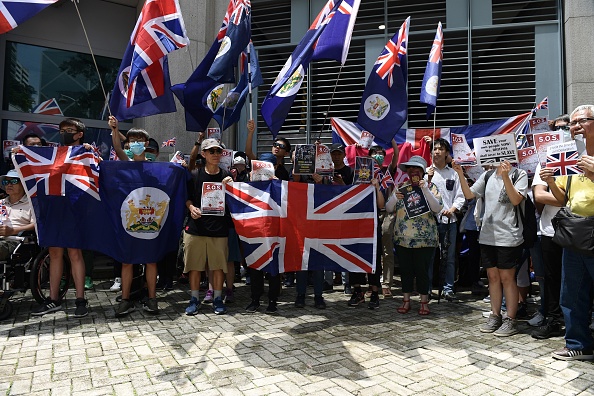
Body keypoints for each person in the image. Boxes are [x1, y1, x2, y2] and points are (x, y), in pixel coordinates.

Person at [540, 104, 594, 360]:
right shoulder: (570, 157)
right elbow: (562, 199)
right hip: (575, 232)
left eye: (581, 121)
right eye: (572, 124)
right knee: (572, 293)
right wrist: (550, 180)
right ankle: (578, 344)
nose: (574, 128)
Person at [453, 159, 528, 337]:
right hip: (487, 234)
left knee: (507, 277)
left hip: (508, 235)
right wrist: (460, 174)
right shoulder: (486, 175)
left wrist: (505, 177)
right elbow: (469, 195)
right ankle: (495, 315)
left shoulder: (520, 174)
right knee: (492, 276)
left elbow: (516, 199)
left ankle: (510, 318)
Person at [31, 118, 89, 318]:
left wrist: (90, 151)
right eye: (62, 129)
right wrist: (20, 155)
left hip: (74, 208)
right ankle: (53, 299)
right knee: (55, 253)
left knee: (75, 253)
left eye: (69, 130)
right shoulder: (52, 154)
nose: (64, 132)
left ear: (79, 134)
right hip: (54, 206)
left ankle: (80, 299)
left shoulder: (86, 152)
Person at [109, 116, 159, 316]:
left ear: (146, 144)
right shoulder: (125, 162)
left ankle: (152, 299)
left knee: (151, 260)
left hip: (149, 220)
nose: (135, 144)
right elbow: (118, 148)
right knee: (127, 261)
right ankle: (126, 299)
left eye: (139, 140)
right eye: (132, 141)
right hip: (129, 220)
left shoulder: (155, 167)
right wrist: (115, 129)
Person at [529, 114, 570, 338]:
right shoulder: (545, 162)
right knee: (553, 278)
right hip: (550, 231)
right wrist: (568, 199)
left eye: (568, 127)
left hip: (581, 230)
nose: (563, 133)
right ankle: (553, 319)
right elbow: (540, 195)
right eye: (559, 129)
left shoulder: (584, 159)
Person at [386, 156, 442, 316]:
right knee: (406, 271)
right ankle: (406, 300)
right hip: (403, 239)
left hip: (425, 239)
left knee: (423, 271)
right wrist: (395, 197)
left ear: (423, 172)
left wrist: (425, 190)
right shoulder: (402, 187)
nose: (412, 172)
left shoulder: (431, 187)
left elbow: (437, 208)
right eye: (410, 169)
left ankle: (424, 302)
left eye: (416, 169)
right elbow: (389, 208)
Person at [184, 138, 233, 315]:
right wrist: (191, 208)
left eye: (218, 151)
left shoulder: (227, 175)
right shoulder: (195, 175)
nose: (215, 154)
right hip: (196, 228)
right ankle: (194, 299)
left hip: (219, 229)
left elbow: (234, 202)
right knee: (195, 267)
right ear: (203, 154)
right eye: (211, 151)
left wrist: (232, 188)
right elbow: (187, 198)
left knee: (218, 266)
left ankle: (218, 298)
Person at [426, 138, 465, 300]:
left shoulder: (454, 174)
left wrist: (453, 209)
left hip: (450, 221)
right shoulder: (427, 172)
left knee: (449, 257)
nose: (437, 152)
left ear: (447, 153)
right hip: (431, 222)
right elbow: (423, 196)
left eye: (440, 149)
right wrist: (427, 180)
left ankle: (448, 288)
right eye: (434, 149)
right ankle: (426, 289)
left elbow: (460, 196)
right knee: (429, 257)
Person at [0, 170, 35, 260]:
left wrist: (12, 231)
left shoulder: (31, 204)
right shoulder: (1, 203)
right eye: (6, 182)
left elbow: (35, 225)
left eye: (14, 181)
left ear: (23, 184)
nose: (9, 185)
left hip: (16, 241)